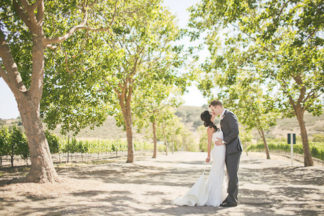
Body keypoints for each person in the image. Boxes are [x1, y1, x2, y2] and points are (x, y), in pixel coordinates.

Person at [173, 110, 226, 207]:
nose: (213, 113)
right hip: (218, 152)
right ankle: (213, 198)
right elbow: (209, 143)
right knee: (217, 173)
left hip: (222, 151)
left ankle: (219, 197)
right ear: (209, 117)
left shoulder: (215, 125)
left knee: (220, 172)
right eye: (211, 113)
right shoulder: (210, 128)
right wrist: (208, 156)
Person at [209, 100, 242, 207]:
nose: (213, 112)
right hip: (228, 150)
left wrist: (223, 141)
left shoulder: (229, 115)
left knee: (232, 175)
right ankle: (230, 197)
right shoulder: (223, 117)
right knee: (229, 174)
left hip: (233, 149)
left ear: (218, 107)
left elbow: (235, 132)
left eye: (213, 109)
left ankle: (232, 200)